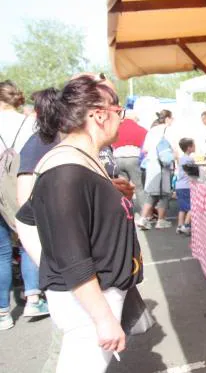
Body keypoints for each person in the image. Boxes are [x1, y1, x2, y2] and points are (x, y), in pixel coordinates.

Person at [22, 75, 142, 371]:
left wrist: (108, 193)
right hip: (89, 303)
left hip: (95, 297)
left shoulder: (79, 160)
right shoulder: (66, 171)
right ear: (100, 114)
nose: (121, 120)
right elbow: (71, 256)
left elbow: (27, 216)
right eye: (119, 112)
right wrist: (102, 318)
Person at [0, 80, 41, 330]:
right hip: (21, 184)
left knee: (1, 251)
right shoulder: (30, 123)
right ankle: (33, 298)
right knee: (28, 239)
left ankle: (3, 312)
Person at [138, 110, 175, 230]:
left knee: (151, 194)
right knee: (165, 194)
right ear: (168, 119)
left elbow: (145, 148)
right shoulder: (168, 130)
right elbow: (174, 149)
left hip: (151, 164)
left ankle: (143, 218)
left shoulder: (152, 131)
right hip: (163, 165)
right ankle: (161, 220)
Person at [112, 110, 147, 208]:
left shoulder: (116, 128)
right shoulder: (141, 129)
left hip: (118, 158)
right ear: (134, 118)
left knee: (122, 187)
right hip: (133, 158)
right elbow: (145, 147)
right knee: (139, 187)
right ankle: (145, 214)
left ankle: (123, 209)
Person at [176, 138, 195, 236]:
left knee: (182, 208)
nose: (195, 146)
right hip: (186, 186)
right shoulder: (189, 159)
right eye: (193, 145)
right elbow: (193, 173)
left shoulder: (181, 158)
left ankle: (180, 225)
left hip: (179, 185)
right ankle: (187, 225)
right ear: (189, 148)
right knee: (192, 206)